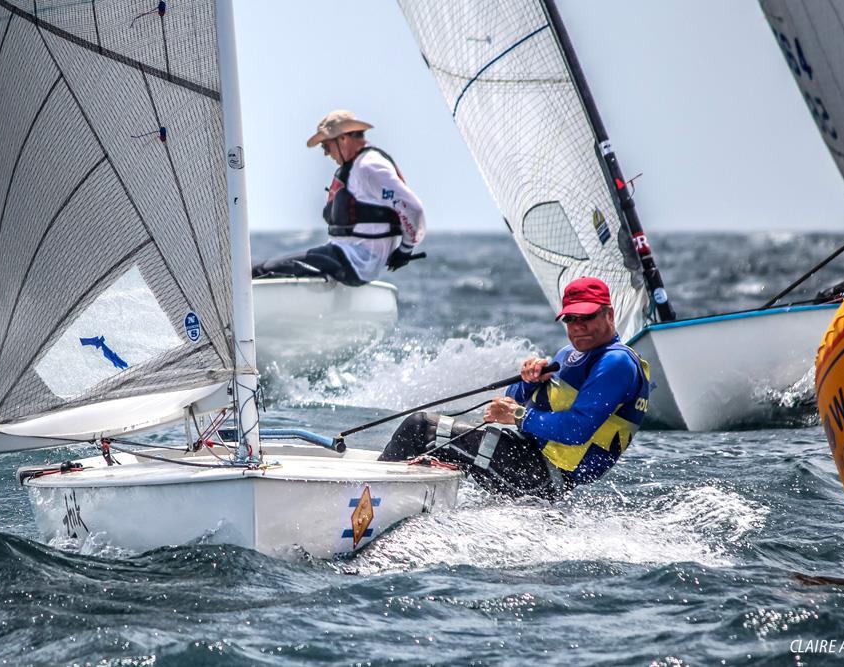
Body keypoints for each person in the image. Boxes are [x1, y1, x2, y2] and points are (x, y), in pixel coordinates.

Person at [379, 276, 651, 500]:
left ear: (609, 314)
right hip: (527, 458)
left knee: (420, 427)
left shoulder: (616, 362)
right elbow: (509, 405)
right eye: (570, 320)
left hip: (544, 475)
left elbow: (576, 430)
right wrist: (527, 382)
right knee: (429, 444)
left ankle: (371, 497)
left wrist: (520, 416)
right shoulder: (568, 355)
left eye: (587, 318)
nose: (578, 328)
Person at [252, 110, 425, 286]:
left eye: (326, 146)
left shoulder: (369, 166)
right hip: (347, 257)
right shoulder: (358, 166)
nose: (326, 154)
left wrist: (405, 249)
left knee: (259, 271)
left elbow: (412, 207)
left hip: (354, 262)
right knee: (268, 267)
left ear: (343, 139)